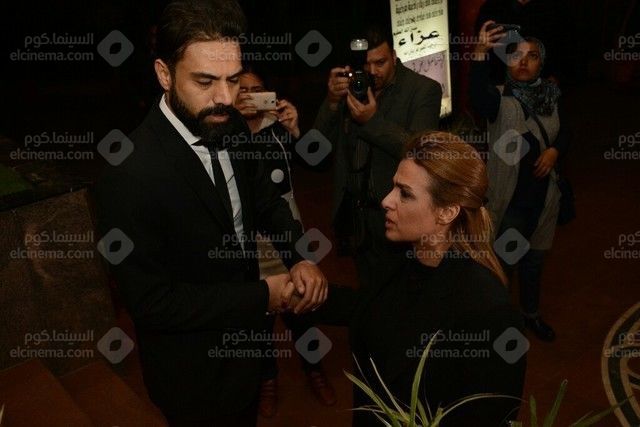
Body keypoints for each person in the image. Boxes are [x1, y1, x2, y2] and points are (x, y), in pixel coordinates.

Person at [94, 1, 328, 425]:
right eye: (205, 81)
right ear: (164, 73)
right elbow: (151, 303)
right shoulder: (127, 172)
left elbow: (265, 199)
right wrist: (264, 295)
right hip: (193, 374)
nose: (224, 98)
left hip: (247, 357)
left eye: (233, 80)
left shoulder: (230, 124)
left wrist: (299, 256)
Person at [312, 132, 526, 426]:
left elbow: (492, 415)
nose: (386, 201)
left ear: (447, 212)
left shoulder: (487, 309)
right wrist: (303, 294)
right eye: (393, 187)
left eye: (405, 193)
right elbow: (375, 308)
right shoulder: (400, 257)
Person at [234, 70, 337, 416]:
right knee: (259, 318)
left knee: (302, 310)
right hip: (248, 243)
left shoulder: (276, 127)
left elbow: (319, 162)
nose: (250, 96)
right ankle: (267, 379)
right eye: (242, 90)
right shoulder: (224, 133)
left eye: (257, 90)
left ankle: (314, 371)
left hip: (287, 235)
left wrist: (296, 131)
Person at [314, 24, 442, 289]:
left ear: (394, 56)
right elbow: (317, 149)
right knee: (368, 291)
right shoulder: (352, 87)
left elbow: (419, 151)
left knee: (404, 292)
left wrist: (372, 121)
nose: (372, 71)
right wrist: (331, 102)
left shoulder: (423, 90)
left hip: (399, 215)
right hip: (356, 216)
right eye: (366, 63)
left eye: (380, 62)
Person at [470, 22, 569, 341]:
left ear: (542, 63)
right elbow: (478, 98)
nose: (524, 61)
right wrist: (480, 53)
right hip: (512, 206)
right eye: (516, 55)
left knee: (534, 264)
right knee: (502, 270)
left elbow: (565, 130)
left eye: (533, 56)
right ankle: (498, 327)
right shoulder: (499, 99)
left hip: (545, 202)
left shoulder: (551, 96)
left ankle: (530, 315)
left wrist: (554, 150)